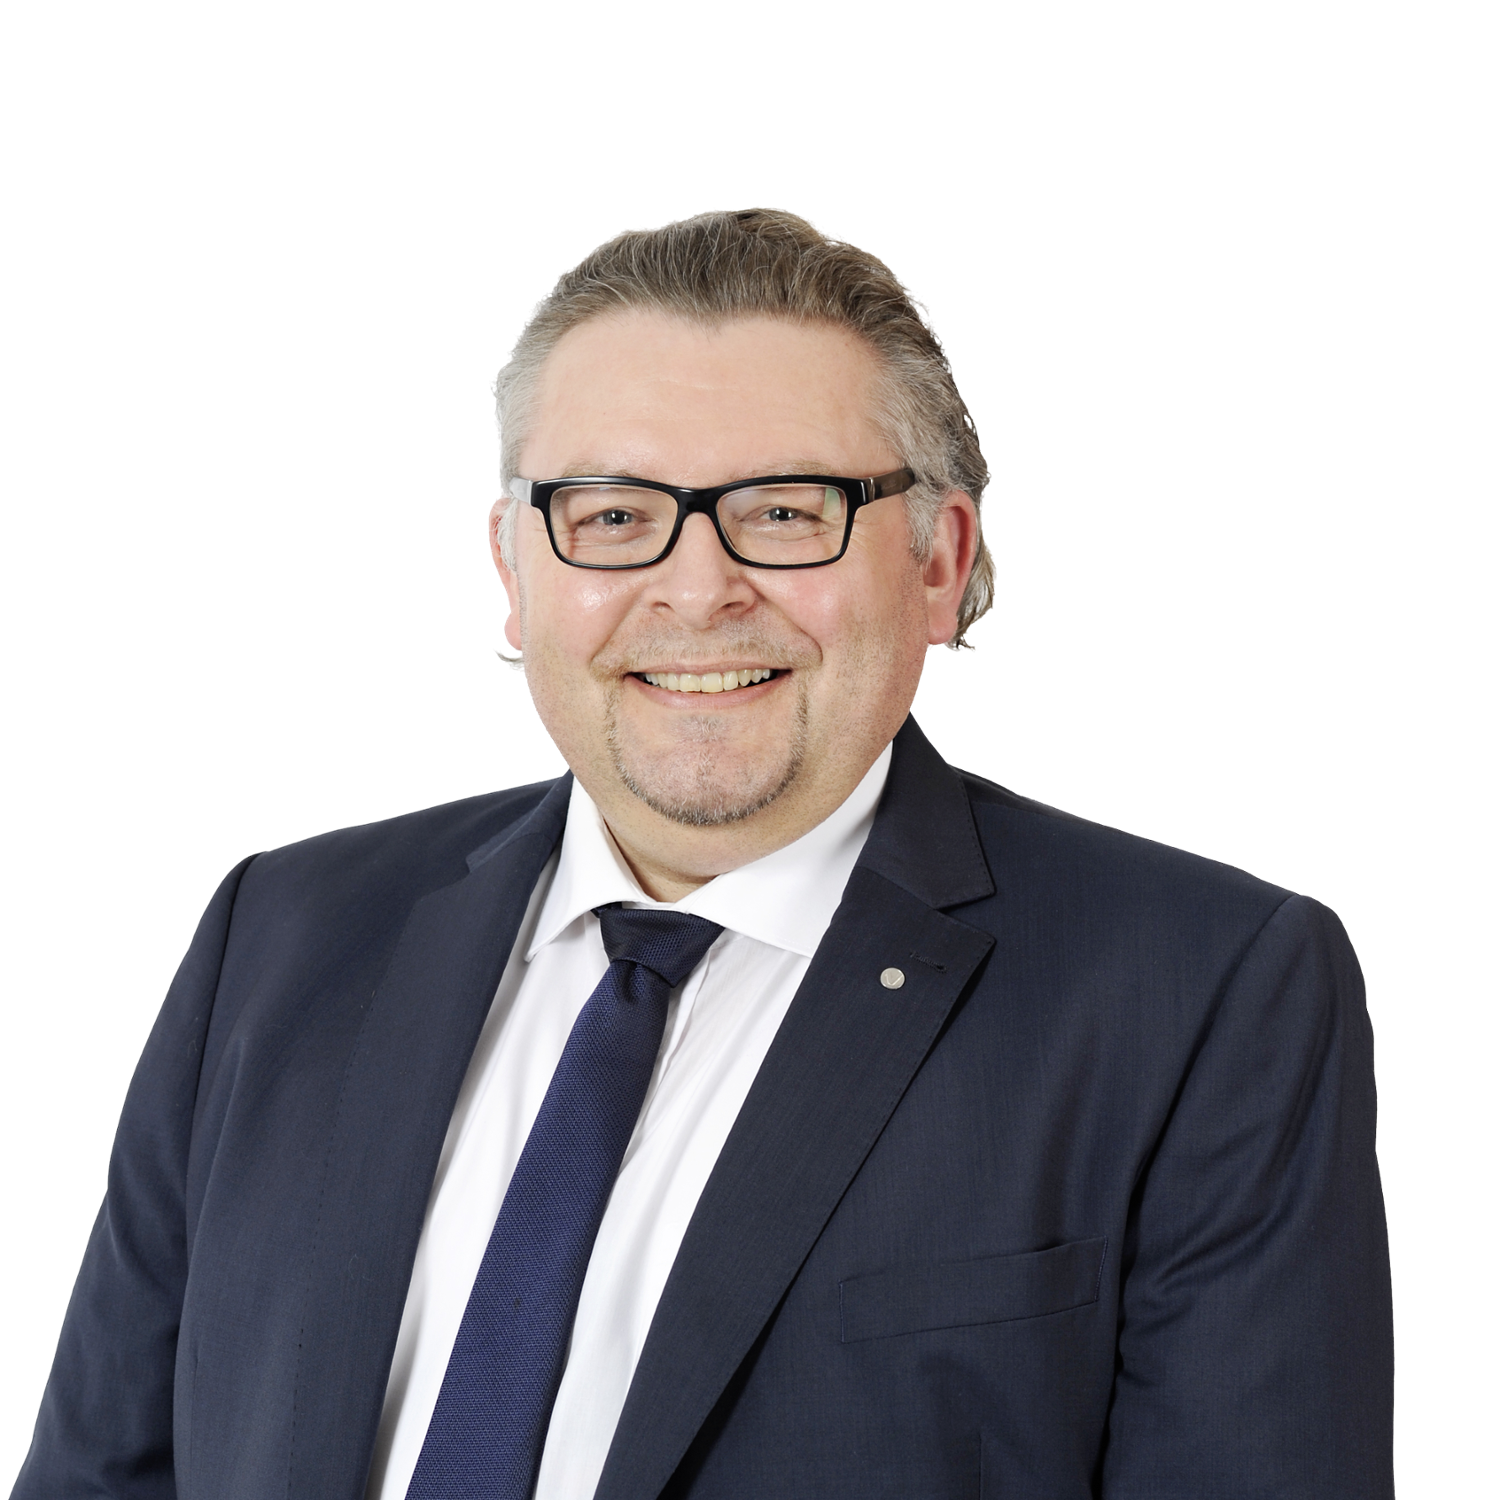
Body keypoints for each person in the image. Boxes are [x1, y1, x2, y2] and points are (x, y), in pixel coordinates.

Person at [17, 208, 1392, 1499]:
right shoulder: (285, 930)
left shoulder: (1202, 989)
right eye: (614, 514)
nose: (695, 589)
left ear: (938, 562)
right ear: (514, 568)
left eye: (786, 511)